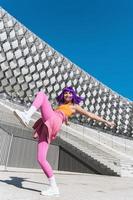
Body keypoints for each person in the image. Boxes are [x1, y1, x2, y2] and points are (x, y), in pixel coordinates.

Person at [13, 86, 115, 197]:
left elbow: (90, 115)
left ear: (73, 95)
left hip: (53, 121)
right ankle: (54, 188)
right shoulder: (61, 106)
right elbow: (64, 115)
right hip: (46, 126)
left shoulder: (74, 106)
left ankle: (27, 116)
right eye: (66, 93)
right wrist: (66, 121)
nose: (67, 95)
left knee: (41, 95)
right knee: (41, 159)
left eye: (70, 93)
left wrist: (106, 122)